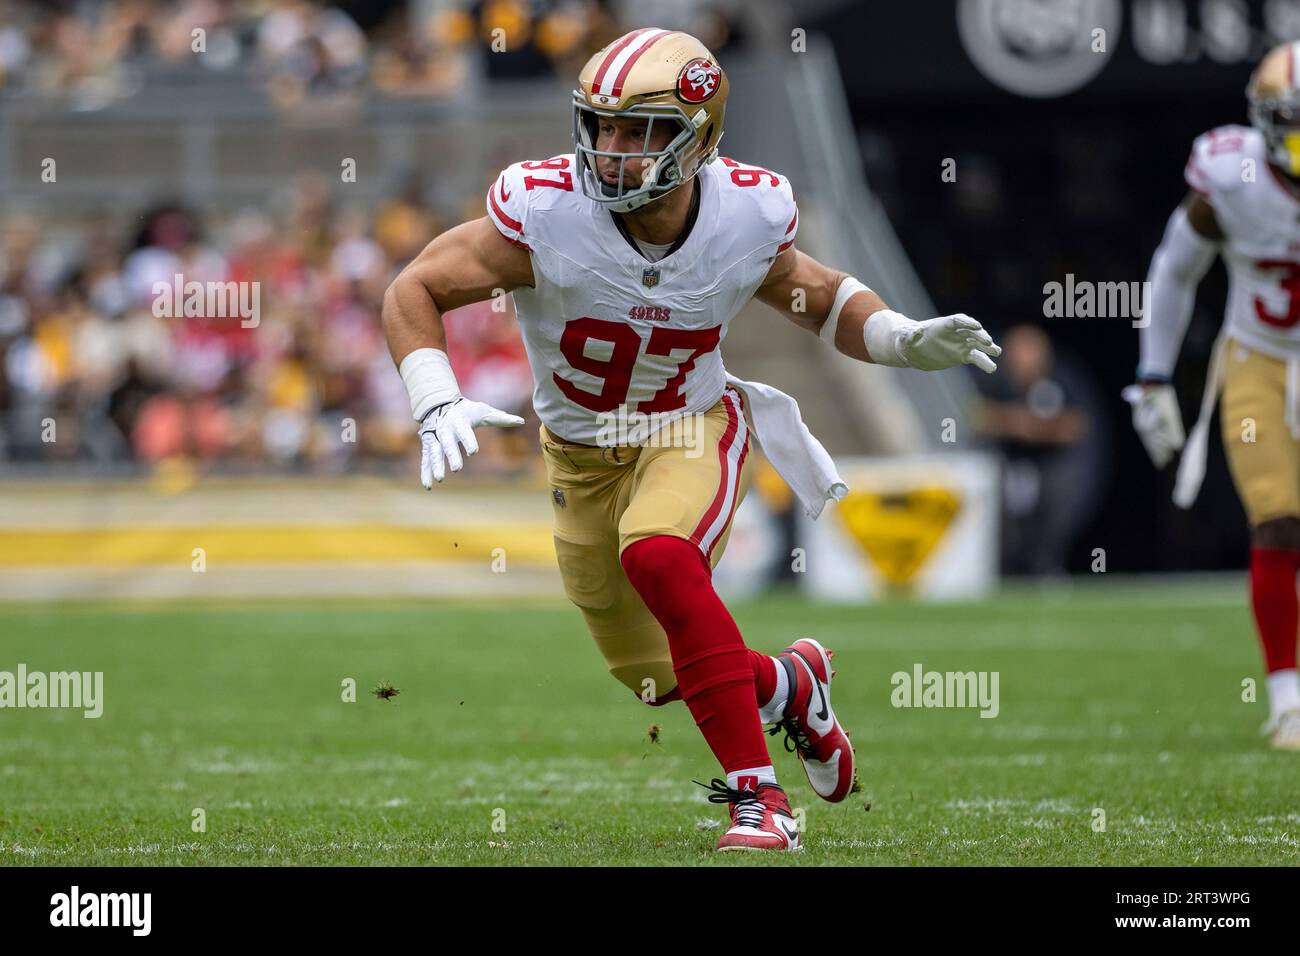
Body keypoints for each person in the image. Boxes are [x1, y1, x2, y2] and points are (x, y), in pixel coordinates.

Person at [382, 28, 1001, 849]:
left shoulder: (744, 212)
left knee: (658, 552)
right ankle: (788, 686)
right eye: (600, 127)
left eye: (637, 132)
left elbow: (812, 291)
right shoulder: (545, 208)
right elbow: (415, 285)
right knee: (651, 678)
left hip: (690, 424)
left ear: (698, 135)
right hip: (579, 456)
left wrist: (895, 337)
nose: (611, 152)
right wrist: (434, 397)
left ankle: (760, 801)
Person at [1130, 41, 1300, 750]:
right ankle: (1289, 699)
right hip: (1257, 356)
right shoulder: (1232, 177)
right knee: (1277, 518)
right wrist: (1153, 375)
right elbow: (1175, 270)